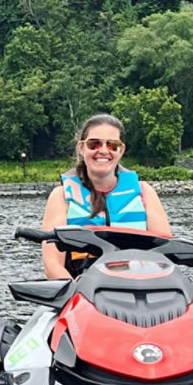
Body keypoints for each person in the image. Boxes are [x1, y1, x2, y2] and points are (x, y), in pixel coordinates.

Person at [39, 113, 174, 279]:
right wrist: (79, 296)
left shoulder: (145, 193)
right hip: (82, 291)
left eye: (112, 145)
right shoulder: (61, 197)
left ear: (121, 150)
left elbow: (165, 255)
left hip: (138, 288)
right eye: (94, 144)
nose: (103, 151)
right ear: (81, 148)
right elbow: (52, 264)